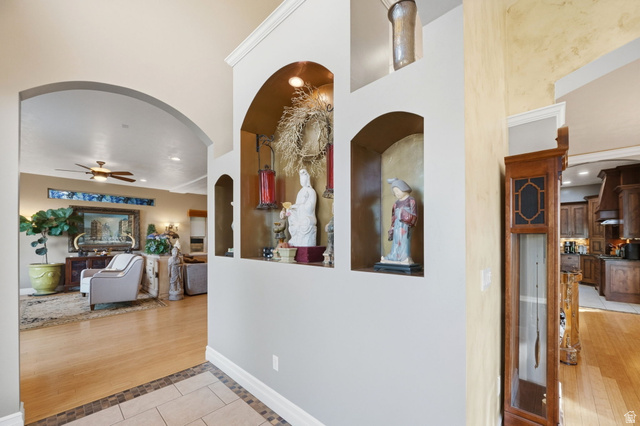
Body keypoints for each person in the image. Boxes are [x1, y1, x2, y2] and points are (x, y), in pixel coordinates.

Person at [383, 178, 417, 263]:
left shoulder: (411, 200)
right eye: (395, 192)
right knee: (396, 241)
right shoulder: (396, 203)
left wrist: (405, 215)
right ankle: (394, 256)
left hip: (405, 225)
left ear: (403, 188)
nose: (396, 193)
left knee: (404, 240)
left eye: (398, 191)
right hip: (397, 225)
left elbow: (414, 215)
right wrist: (392, 227)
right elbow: (393, 216)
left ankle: (404, 257)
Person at [285, 169, 317, 247]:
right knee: (291, 213)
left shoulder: (311, 191)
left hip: (306, 217)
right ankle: (295, 239)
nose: (302, 181)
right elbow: (297, 205)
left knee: (307, 222)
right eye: (300, 179)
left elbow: (310, 208)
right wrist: (291, 208)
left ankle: (303, 240)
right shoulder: (300, 192)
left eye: (303, 179)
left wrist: (299, 206)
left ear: (307, 179)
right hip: (299, 217)